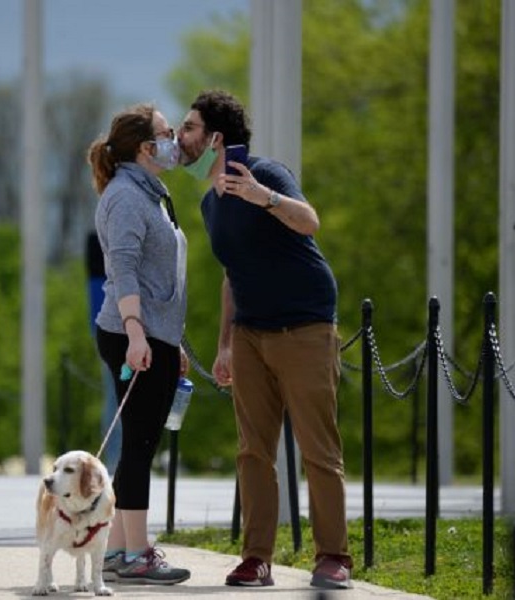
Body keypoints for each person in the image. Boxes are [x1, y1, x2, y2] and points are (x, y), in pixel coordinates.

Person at [177, 90, 352, 590]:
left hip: (305, 326)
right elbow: (232, 274)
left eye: (189, 128)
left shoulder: (265, 174)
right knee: (253, 451)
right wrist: (227, 343)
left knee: (318, 450)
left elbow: (309, 222)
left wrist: (264, 197)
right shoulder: (210, 203)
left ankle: (334, 556)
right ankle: (256, 558)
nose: (180, 138)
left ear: (215, 138)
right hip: (251, 334)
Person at [87, 103, 190, 585]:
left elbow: (158, 275)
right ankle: (136, 553)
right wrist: (136, 333)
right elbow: (123, 269)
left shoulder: (147, 193)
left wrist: (172, 339)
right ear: (147, 148)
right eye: (168, 134)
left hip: (154, 332)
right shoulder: (128, 197)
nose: (176, 142)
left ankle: (117, 551)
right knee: (140, 444)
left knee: (140, 441)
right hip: (134, 332)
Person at [85, 231, 121, 474]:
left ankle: (119, 458)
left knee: (118, 399)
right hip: (112, 328)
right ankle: (114, 459)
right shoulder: (97, 240)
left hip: (119, 326)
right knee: (114, 398)